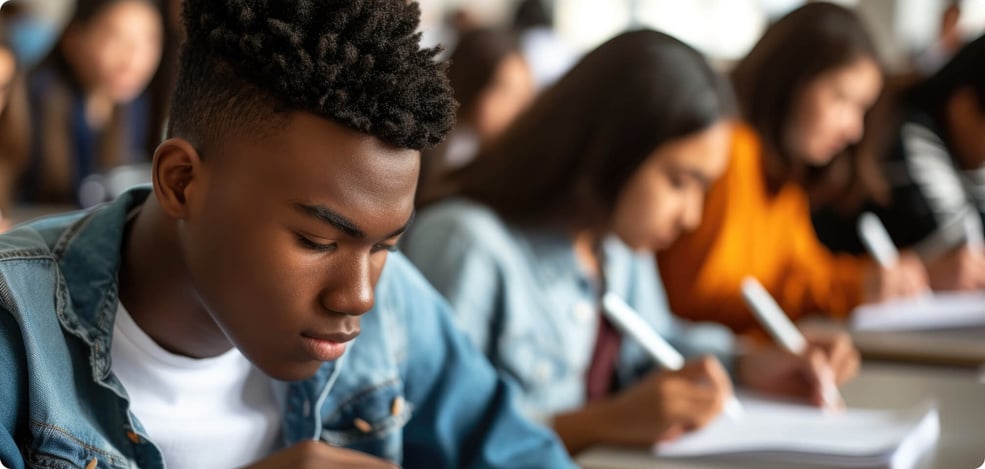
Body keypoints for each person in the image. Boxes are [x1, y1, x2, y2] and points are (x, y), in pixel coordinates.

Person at [0, 0, 575, 468]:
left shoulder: (397, 307)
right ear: (181, 183)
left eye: (384, 247)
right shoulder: (14, 324)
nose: (359, 297)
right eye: (317, 241)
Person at [404, 30, 860, 456]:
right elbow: (433, 436)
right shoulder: (466, 245)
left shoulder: (613, 242)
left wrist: (751, 362)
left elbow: (653, 341)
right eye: (680, 181)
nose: (692, 216)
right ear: (611, 149)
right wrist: (602, 423)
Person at [657, 3, 928, 334]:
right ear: (791, 79)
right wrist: (852, 289)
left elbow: (803, 271)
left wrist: (870, 280)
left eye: (861, 109)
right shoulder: (731, 152)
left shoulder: (783, 174)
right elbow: (699, 300)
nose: (854, 129)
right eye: (841, 99)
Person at [814, 34, 985, 292]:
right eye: (839, 99)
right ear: (964, 108)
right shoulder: (910, 136)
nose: (854, 130)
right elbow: (956, 247)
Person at [24, 0, 163, 204]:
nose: (134, 57)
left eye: (149, 40)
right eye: (116, 37)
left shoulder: (136, 104)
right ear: (74, 40)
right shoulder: (33, 100)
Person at [418, 27, 535, 203]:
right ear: (473, 83)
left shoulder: (500, 159)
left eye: (523, 96)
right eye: (506, 92)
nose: (518, 109)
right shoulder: (422, 145)